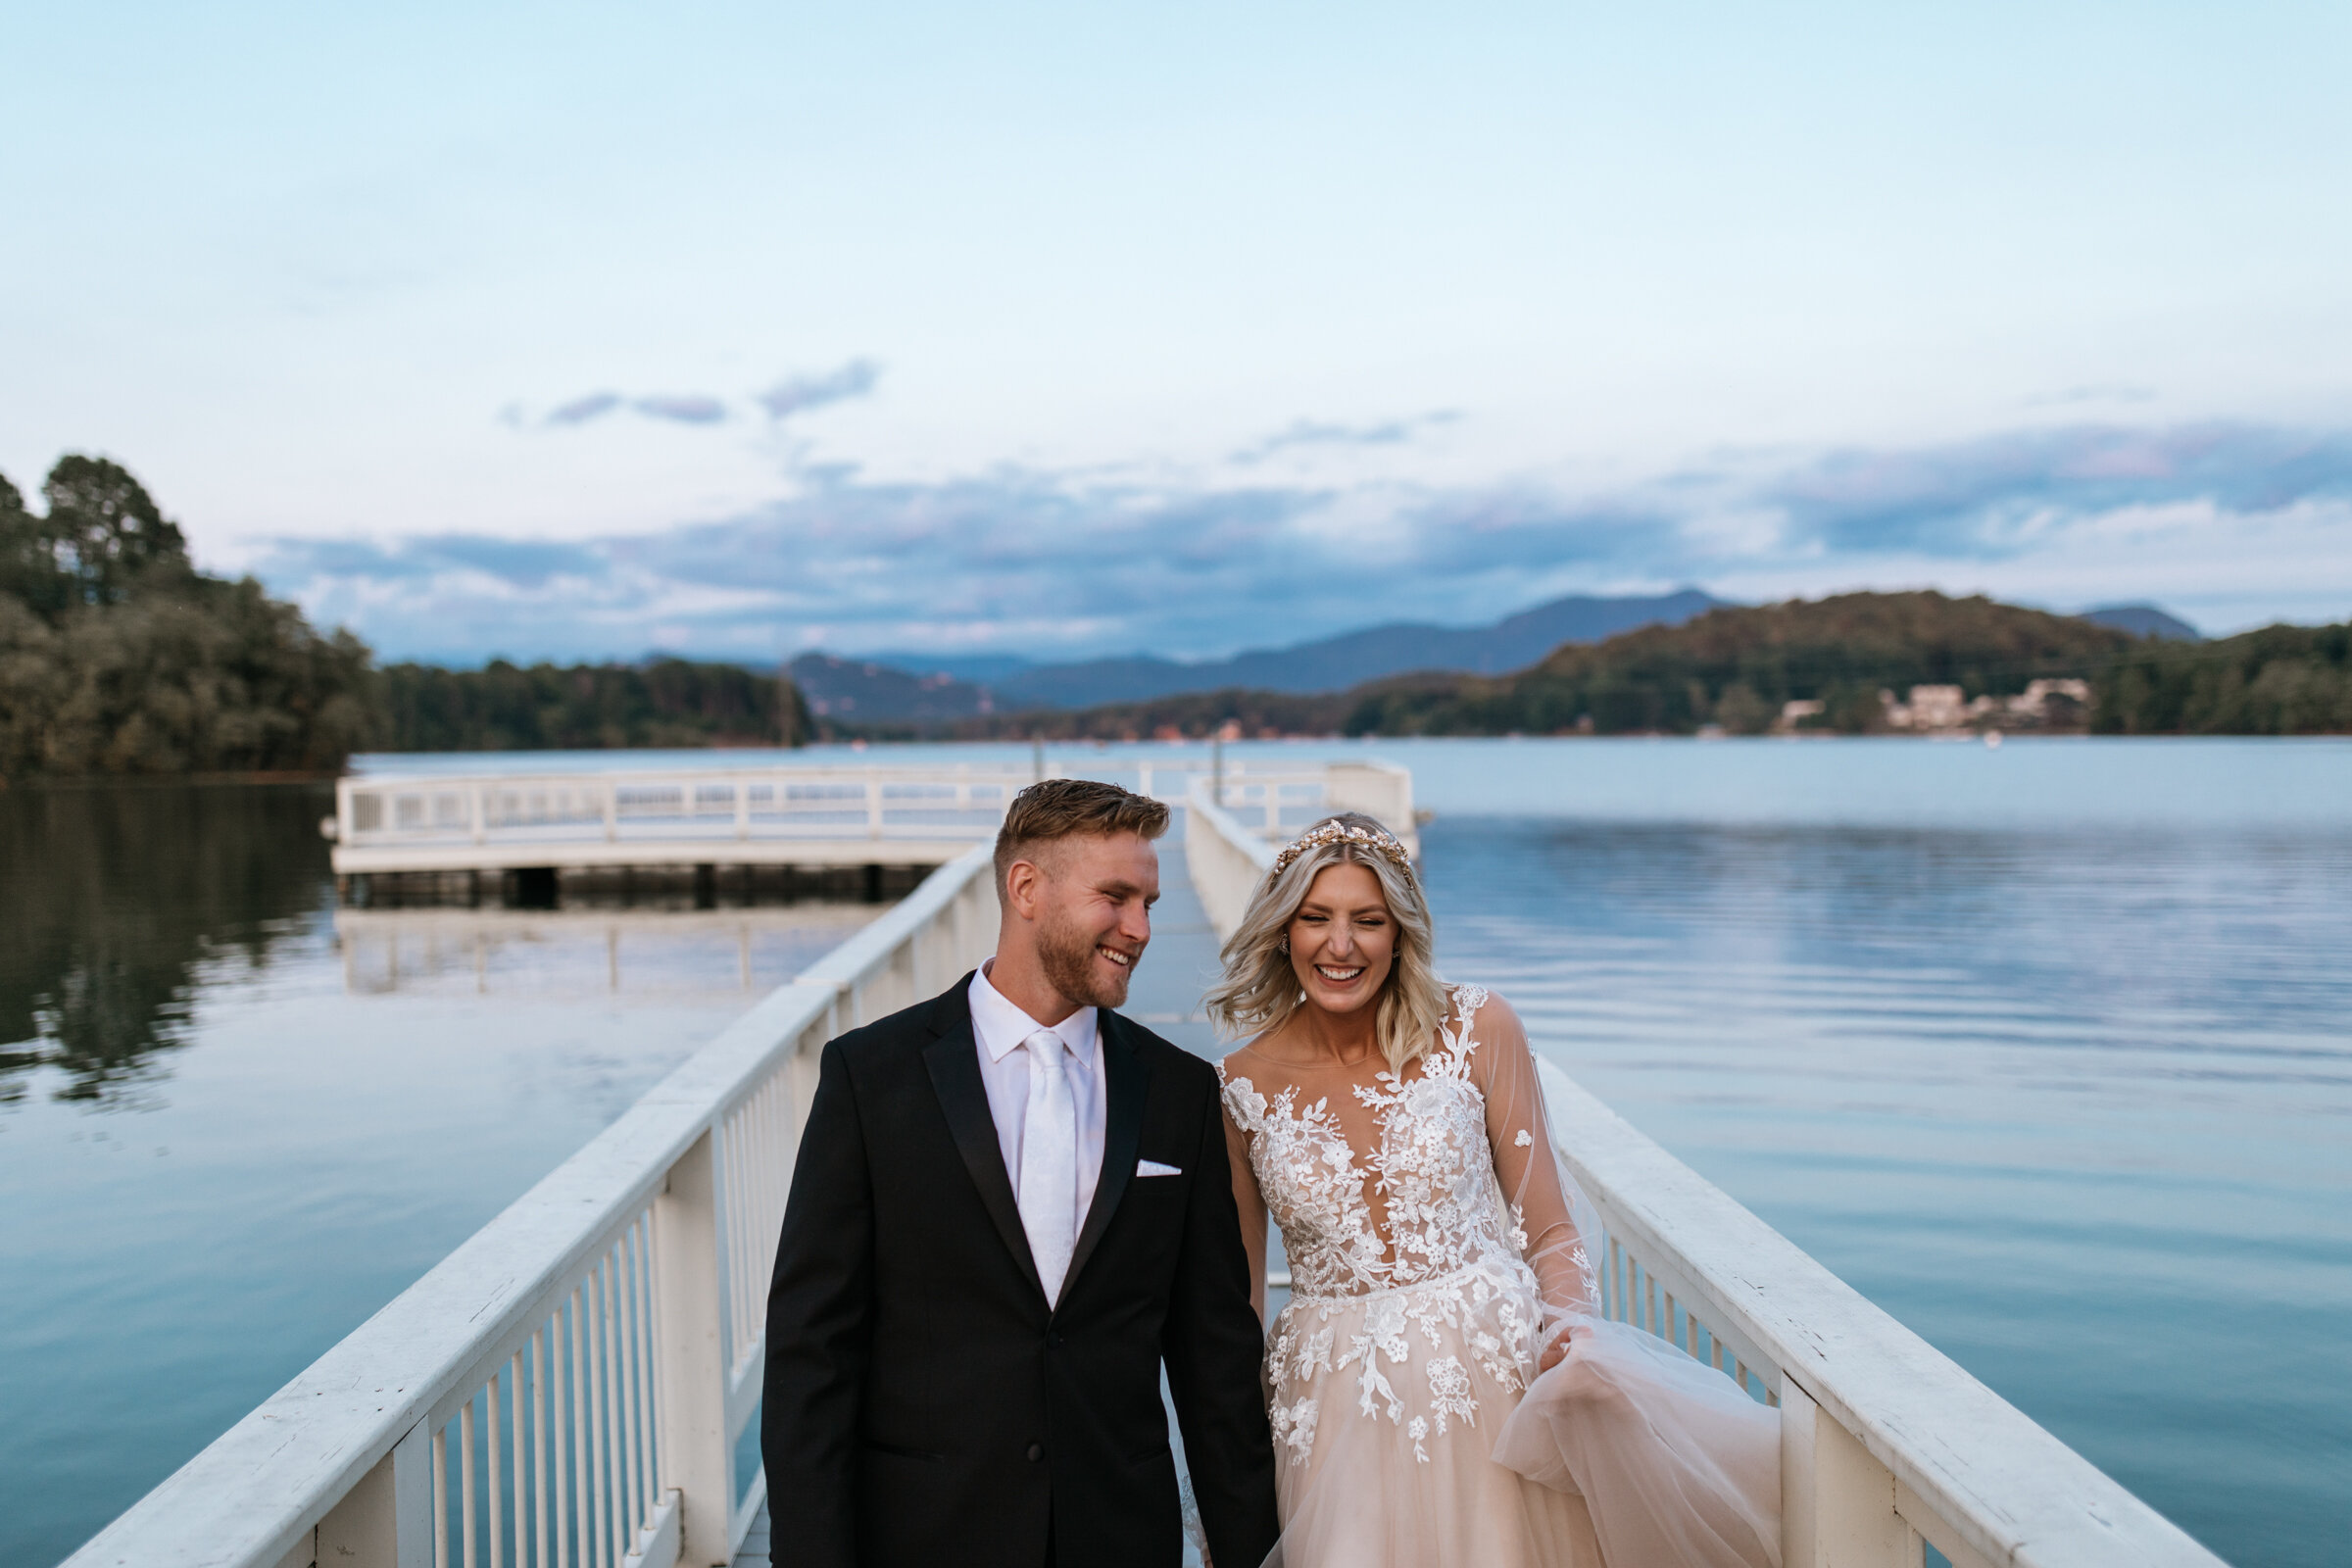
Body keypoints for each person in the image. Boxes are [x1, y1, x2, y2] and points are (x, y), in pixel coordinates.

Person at [1205, 812, 1782, 1568]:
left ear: (1401, 933)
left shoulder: (1478, 1027)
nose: (1340, 946)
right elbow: (1240, 1299)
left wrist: (1571, 1330)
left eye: (1368, 921)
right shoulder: (1240, 1086)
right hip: (1333, 1403)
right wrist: (1230, 1482)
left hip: (1491, 1378)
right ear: (1283, 929)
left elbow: (1549, 1227)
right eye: (1316, 918)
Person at [763, 778, 1282, 1568]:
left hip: (1118, 1533)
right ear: (1026, 888)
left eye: (1148, 901)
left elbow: (1214, 1361)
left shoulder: (1178, 1090)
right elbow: (813, 1355)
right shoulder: (871, 1077)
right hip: (924, 1534)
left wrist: (1250, 1553)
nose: (1140, 929)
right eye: (1115, 897)